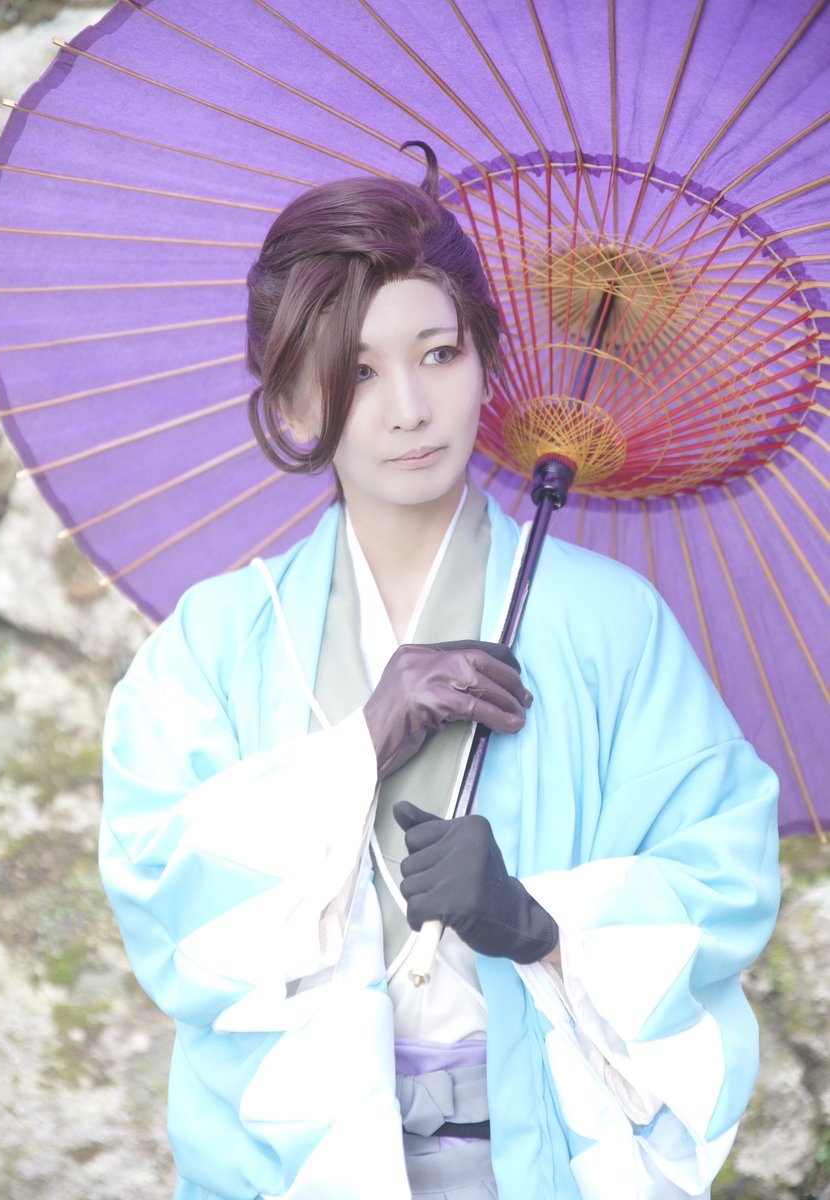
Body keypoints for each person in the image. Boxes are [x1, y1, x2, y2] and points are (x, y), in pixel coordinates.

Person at [100, 147, 780, 1200]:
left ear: (486, 360)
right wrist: (361, 744)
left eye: (439, 352)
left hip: (539, 1156)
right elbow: (160, 892)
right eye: (358, 370)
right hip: (298, 1168)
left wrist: (537, 922)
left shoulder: (609, 623)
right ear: (290, 398)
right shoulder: (216, 641)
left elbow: (723, 874)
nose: (410, 408)